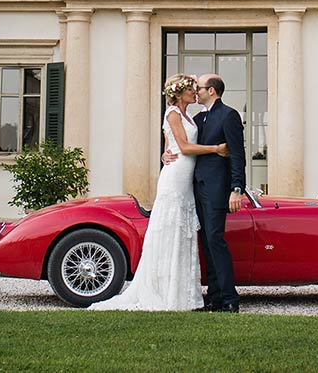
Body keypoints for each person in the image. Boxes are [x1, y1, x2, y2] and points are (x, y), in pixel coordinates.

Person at [88, 74, 227, 311]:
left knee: (183, 233)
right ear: (179, 93)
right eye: (191, 90)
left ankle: (182, 292)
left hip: (186, 177)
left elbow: (170, 144)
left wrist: (165, 154)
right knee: (171, 228)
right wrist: (216, 149)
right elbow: (183, 147)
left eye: (197, 89)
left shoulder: (189, 116)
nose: (195, 93)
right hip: (175, 178)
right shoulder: (172, 113)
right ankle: (164, 291)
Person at [190, 73, 247, 312]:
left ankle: (229, 299)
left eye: (200, 88)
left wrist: (236, 189)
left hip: (216, 189)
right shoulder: (196, 118)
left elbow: (237, 155)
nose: (196, 91)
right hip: (197, 188)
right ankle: (214, 298)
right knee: (206, 242)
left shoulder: (229, 115)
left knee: (216, 240)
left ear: (211, 90)